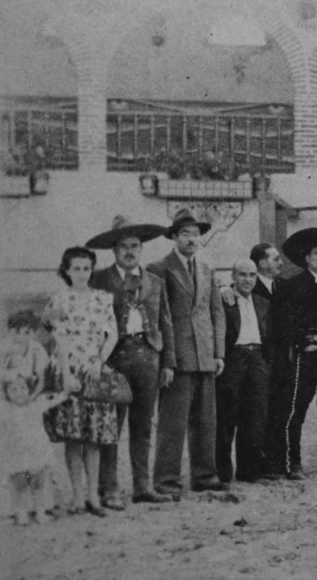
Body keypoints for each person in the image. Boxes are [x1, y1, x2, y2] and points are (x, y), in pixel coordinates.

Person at [86, 216, 175, 508]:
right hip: (114, 358)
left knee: (143, 426)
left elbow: (165, 323)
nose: (129, 251)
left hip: (148, 357)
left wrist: (168, 363)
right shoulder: (99, 279)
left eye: (134, 246)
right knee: (112, 425)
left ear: (141, 249)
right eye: (123, 246)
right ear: (113, 250)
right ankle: (109, 489)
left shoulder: (155, 282)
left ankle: (142, 486)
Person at [147, 210, 227, 498]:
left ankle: (205, 476)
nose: (192, 239)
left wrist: (219, 353)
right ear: (174, 237)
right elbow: (158, 317)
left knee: (206, 421)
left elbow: (216, 313)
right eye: (185, 234)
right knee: (172, 422)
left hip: (205, 355)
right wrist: (166, 360)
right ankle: (166, 481)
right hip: (177, 356)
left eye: (195, 234)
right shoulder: (159, 269)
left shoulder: (207, 270)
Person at [264, 227, 317, 479]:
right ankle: (293, 463)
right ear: (307, 258)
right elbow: (286, 320)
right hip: (310, 351)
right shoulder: (296, 285)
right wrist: (303, 343)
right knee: (297, 408)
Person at [42, 247, 120, 516]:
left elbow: (112, 334)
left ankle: (92, 496)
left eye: (86, 268)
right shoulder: (59, 300)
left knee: (94, 437)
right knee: (73, 437)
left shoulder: (102, 298)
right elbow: (59, 339)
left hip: (94, 370)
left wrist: (99, 361)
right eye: (76, 268)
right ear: (66, 270)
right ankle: (76, 495)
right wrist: (66, 374)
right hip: (69, 369)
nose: (82, 274)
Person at [1, 311, 67, 525]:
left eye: (27, 332)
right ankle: (16, 509)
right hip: (9, 398)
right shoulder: (4, 348)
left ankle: (42, 506)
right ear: (10, 331)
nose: (22, 336)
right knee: (16, 464)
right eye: (17, 332)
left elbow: (40, 379)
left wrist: (31, 396)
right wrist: (8, 397)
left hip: (30, 397)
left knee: (37, 463)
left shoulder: (36, 349)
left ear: (33, 332)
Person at [216, 259, 272, 484]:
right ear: (233, 276)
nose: (247, 280)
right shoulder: (224, 299)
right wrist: (223, 291)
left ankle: (249, 471)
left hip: (257, 358)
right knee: (227, 414)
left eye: (251, 275)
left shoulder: (262, 302)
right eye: (242, 275)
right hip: (234, 359)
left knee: (255, 417)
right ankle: (223, 472)